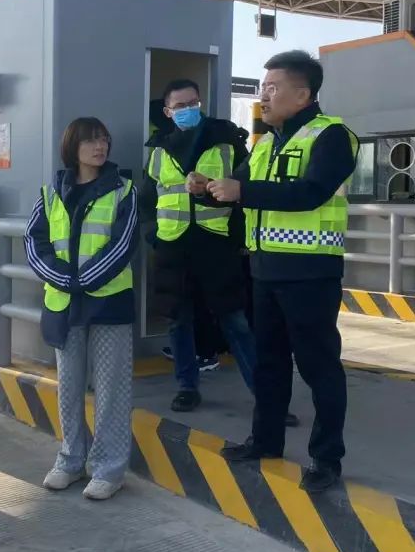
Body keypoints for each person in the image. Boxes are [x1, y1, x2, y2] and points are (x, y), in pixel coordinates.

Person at [213, 51, 358, 493]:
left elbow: (310, 192)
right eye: (263, 87)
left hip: (310, 272)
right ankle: (265, 441)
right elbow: (242, 190)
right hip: (264, 269)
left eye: (272, 88)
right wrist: (208, 190)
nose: (264, 96)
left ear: (303, 94)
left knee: (318, 367)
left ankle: (326, 459)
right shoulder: (265, 143)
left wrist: (242, 191)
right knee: (269, 363)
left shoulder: (332, 136)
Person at [25, 117, 138, 501]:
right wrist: (62, 278)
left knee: (111, 390)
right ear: (72, 147)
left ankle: (108, 469)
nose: (99, 146)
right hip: (64, 304)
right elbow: (34, 242)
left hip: (108, 304)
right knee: (69, 387)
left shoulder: (124, 190)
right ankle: (70, 460)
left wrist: (81, 281)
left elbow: (123, 245)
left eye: (103, 139)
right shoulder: (50, 193)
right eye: (90, 140)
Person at [140, 79, 259, 413]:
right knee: (179, 321)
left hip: (217, 246)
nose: (188, 110)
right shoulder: (159, 151)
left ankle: (265, 395)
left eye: (193, 104)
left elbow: (245, 192)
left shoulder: (227, 142)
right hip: (172, 248)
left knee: (235, 320)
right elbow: (148, 200)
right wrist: (155, 235)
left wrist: (239, 241)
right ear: (168, 112)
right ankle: (187, 387)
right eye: (180, 106)